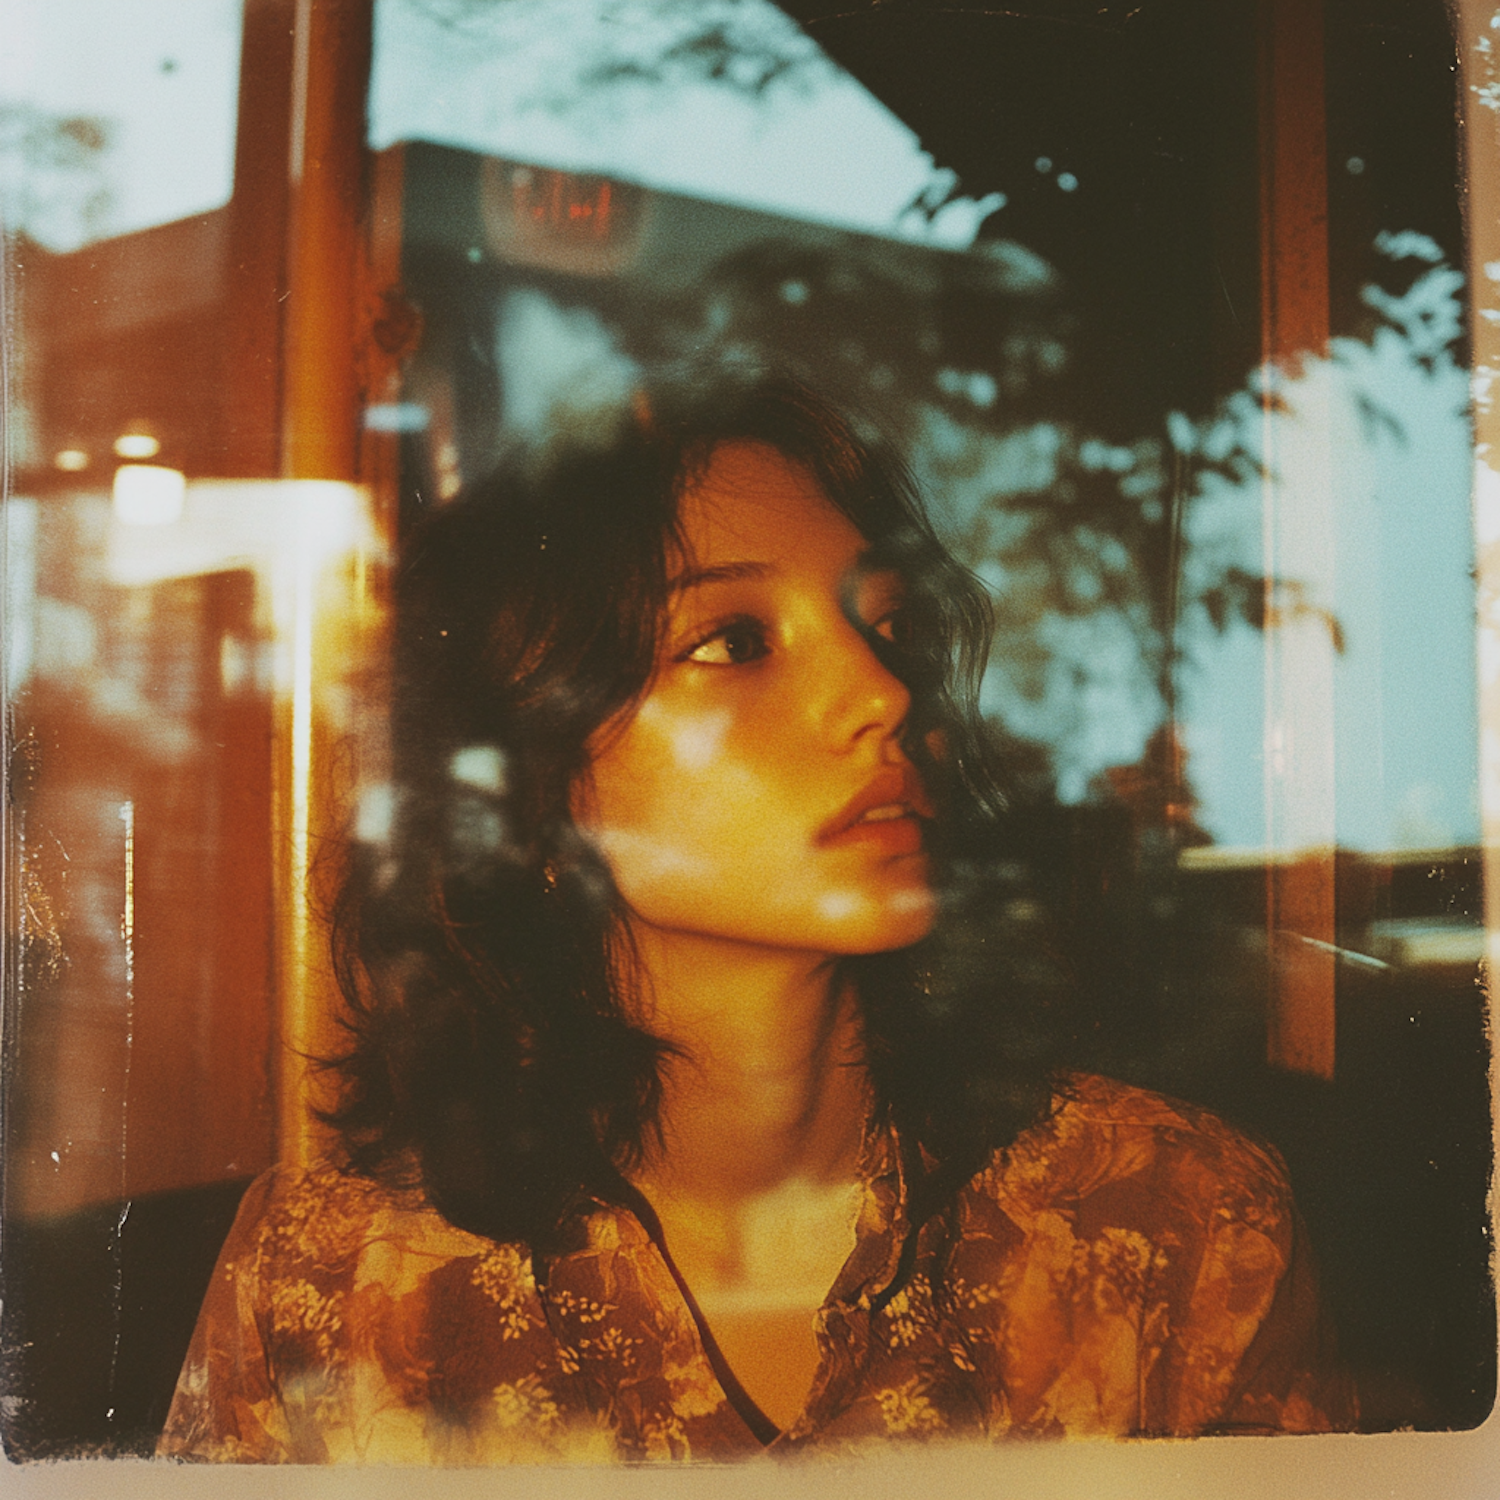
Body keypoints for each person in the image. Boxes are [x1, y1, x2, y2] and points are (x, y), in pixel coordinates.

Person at [158, 380, 1355, 1463]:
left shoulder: (1175, 1225)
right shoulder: (325, 1286)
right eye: (734, 642)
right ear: (524, 786)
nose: (884, 693)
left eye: (893, 628)